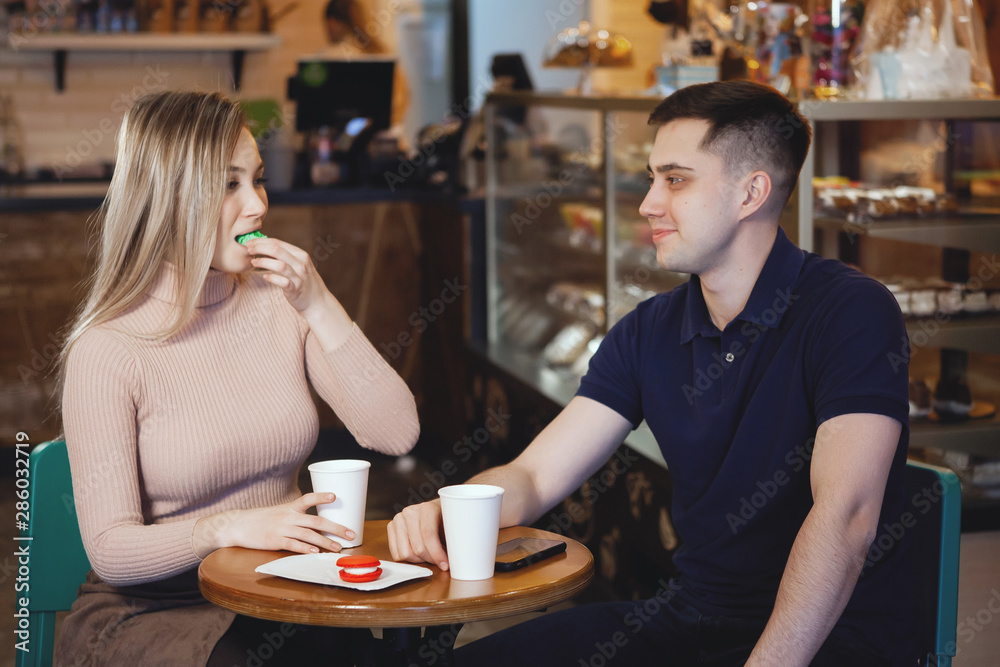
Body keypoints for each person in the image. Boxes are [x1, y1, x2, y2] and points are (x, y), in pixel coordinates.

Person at [388, 80, 917, 666]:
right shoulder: (649, 329)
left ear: (751, 193)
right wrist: (455, 508)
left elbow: (845, 518)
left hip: (828, 639)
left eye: (676, 179)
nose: (648, 203)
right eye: (651, 177)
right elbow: (535, 477)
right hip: (691, 618)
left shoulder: (850, 311)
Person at [56, 90, 420, 666]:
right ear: (168, 197)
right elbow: (111, 552)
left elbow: (397, 434)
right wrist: (227, 527)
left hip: (277, 587)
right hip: (155, 612)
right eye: (229, 184)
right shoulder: (107, 351)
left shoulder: (279, 305)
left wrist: (319, 303)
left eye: (257, 179)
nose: (256, 205)